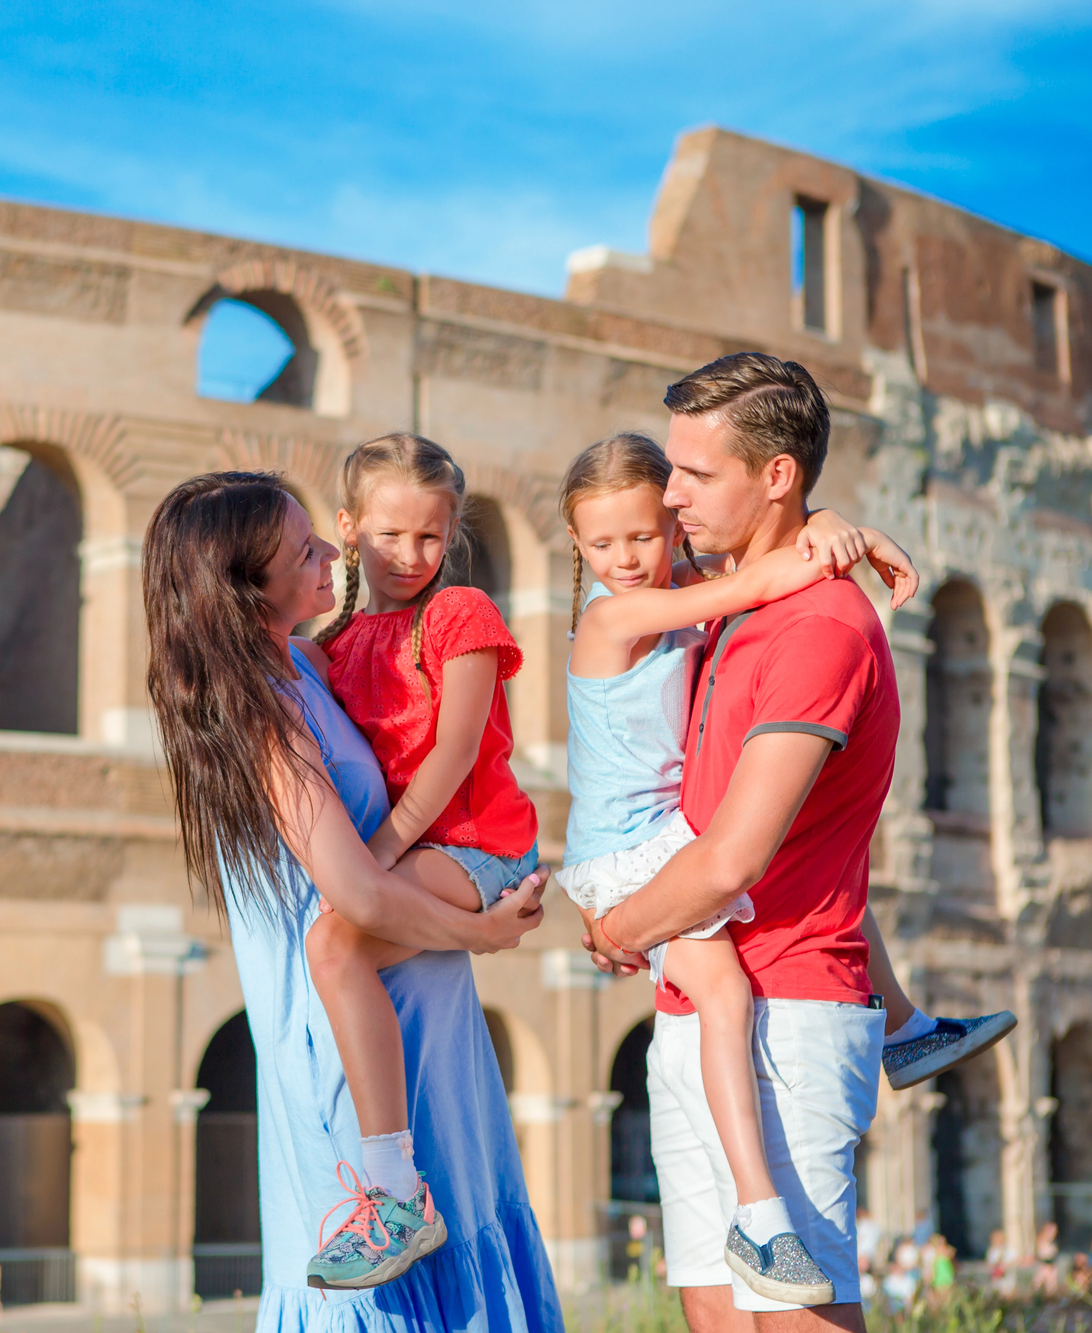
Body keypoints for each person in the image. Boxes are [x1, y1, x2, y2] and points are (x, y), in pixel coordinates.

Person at [553, 431, 1014, 1304]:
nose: (627, 558)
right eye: (603, 544)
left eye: (644, 536)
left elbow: (751, 557)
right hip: (626, 853)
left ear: (671, 524)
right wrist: (845, 537)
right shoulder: (614, 615)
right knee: (725, 995)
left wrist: (826, 522)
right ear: (577, 544)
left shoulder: (677, 590)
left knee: (812, 860)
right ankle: (761, 1213)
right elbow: (756, 580)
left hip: (666, 832)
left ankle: (905, 1027)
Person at [141, 472, 561, 1329]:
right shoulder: (256, 713)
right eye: (305, 551)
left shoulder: (303, 663)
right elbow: (360, 895)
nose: (335, 554)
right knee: (392, 1301)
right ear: (245, 589)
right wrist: (483, 930)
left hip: (419, 1017)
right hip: (350, 1048)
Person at [571, 353, 912, 1333]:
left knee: (794, 1316)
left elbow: (731, 861)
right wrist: (837, 528)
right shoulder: (730, 594)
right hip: (696, 1000)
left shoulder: (818, 627)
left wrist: (616, 929)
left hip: (786, 1013)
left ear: (775, 476)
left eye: (694, 473)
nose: (670, 495)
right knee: (715, 1310)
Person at [299, 434, 540, 1287]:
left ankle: (397, 1193)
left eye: (430, 536)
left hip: (479, 846)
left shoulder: (459, 614)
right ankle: (391, 1182)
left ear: (453, 530)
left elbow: (454, 751)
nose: (409, 555)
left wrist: (376, 857)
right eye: (388, 535)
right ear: (347, 527)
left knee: (336, 943)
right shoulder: (336, 641)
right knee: (336, 944)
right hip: (421, 849)